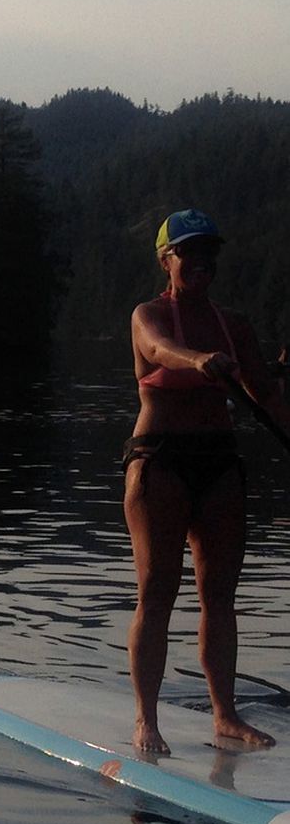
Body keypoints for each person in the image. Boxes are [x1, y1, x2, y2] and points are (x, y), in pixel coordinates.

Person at [124, 208, 290, 753]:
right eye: (190, 252)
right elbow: (158, 351)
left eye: (210, 253)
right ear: (166, 259)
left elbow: (265, 392)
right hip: (161, 460)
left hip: (218, 464)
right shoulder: (148, 313)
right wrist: (198, 362)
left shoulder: (233, 324)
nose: (202, 262)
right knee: (157, 592)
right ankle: (147, 721)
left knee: (219, 596)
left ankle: (226, 716)